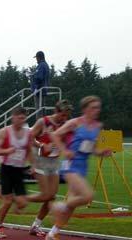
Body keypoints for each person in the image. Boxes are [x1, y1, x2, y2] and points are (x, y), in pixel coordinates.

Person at [46, 96, 111, 240]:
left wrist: (102, 152)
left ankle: (52, 233)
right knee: (88, 196)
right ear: (85, 109)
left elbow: (92, 149)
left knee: (72, 205)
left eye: (98, 107)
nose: (97, 110)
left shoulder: (98, 126)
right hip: (71, 165)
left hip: (83, 167)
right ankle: (58, 206)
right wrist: (64, 150)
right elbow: (55, 135)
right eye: (94, 107)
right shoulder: (74, 123)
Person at [26, 100, 73, 237]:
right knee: (47, 195)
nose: (65, 118)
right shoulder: (43, 122)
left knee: (51, 196)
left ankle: (35, 225)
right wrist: (41, 145)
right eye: (63, 115)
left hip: (54, 162)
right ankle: (21, 198)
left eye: (67, 116)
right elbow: (30, 138)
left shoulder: (65, 125)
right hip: (41, 160)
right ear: (56, 111)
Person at [0, 107, 34, 239]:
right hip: (6, 169)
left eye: (24, 118)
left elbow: (29, 150)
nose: (22, 120)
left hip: (19, 170)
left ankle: (1, 192)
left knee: (22, 203)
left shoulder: (28, 133)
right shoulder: (5, 131)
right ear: (13, 117)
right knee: (8, 202)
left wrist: (33, 165)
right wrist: (7, 151)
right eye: (20, 118)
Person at [31, 51, 50, 119]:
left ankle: (39, 126)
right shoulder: (45, 65)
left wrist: (36, 88)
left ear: (38, 57)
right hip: (43, 90)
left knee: (39, 110)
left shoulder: (41, 65)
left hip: (39, 91)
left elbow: (39, 77)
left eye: (36, 58)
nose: (36, 59)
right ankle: (43, 124)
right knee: (42, 109)